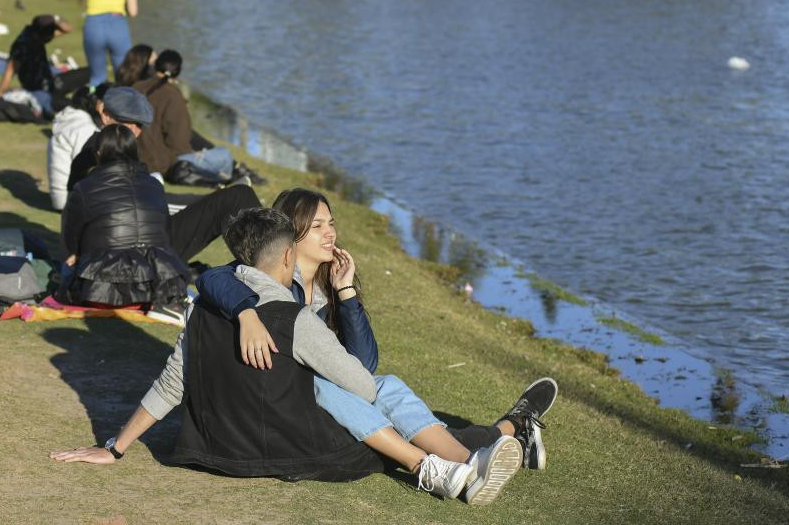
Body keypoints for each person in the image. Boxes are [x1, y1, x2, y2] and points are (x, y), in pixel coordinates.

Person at [50, 207, 527, 504]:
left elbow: (171, 385)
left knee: (376, 400)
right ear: (285, 259)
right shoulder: (292, 317)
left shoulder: (203, 309)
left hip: (218, 451)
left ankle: (500, 439)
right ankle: (470, 459)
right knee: (382, 392)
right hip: (296, 451)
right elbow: (363, 384)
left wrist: (114, 447)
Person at [197, 189, 558, 476]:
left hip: (330, 401)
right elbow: (212, 276)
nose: (331, 233)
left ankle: (493, 443)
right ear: (291, 233)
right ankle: (509, 430)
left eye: (332, 223)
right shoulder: (265, 273)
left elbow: (364, 364)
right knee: (377, 402)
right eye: (318, 225)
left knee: (390, 393)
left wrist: (346, 293)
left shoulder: (327, 288)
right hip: (290, 408)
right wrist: (245, 313)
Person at [65, 87, 261, 261]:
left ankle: (267, 264)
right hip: (139, 254)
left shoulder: (107, 152)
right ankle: (271, 270)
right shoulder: (95, 157)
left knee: (235, 197)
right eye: (127, 122)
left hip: (141, 245)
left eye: (139, 125)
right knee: (237, 196)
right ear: (105, 115)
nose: (134, 131)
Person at [58, 124, 190, 316]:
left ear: (98, 153)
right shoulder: (155, 185)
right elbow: (165, 233)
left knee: (65, 270)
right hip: (158, 285)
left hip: (101, 290)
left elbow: (71, 241)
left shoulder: (84, 188)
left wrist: (77, 254)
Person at [134, 49, 234, 183]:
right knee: (224, 155)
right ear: (178, 71)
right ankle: (224, 180)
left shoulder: (137, 86)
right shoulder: (172, 95)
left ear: (156, 65)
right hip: (163, 164)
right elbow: (178, 142)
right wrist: (193, 152)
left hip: (136, 156)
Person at [0, 14, 72, 116]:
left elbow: (68, 29)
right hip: (37, 90)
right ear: (40, 34)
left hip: (49, 81)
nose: (52, 37)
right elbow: (10, 71)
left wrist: (55, 19)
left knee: (87, 74)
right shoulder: (21, 46)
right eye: (50, 35)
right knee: (69, 106)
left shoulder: (37, 32)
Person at [48, 86, 104, 210]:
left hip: (58, 196)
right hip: (68, 200)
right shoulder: (85, 128)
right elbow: (82, 166)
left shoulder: (65, 118)